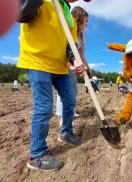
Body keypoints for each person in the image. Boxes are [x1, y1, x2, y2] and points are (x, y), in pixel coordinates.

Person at [17, 0, 87, 171]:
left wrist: (74, 60)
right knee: (44, 107)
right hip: (37, 62)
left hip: (60, 67)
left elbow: (69, 46)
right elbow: (20, 13)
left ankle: (66, 133)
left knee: (70, 101)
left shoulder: (69, 16)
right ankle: (37, 155)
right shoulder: (45, 2)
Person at [57, 6, 90, 127]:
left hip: (74, 64)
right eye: (86, 21)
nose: (87, 24)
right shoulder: (67, 29)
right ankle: (62, 117)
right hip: (64, 63)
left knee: (74, 90)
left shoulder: (81, 36)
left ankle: (70, 110)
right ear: (79, 18)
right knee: (64, 91)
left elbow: (81, 55)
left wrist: (88, 67)